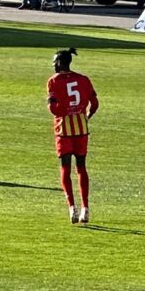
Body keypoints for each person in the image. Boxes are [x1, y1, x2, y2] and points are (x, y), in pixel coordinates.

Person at [47, 48, 99, 224]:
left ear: (60, 63)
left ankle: (72, 208)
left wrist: (63, 112)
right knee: (82, 167)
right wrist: (84, 117)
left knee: (65, 169)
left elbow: (53, 109)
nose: (53, 64)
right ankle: (86, 208)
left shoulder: (53, 81)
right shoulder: (84, 79)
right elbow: (95, 103)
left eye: (54, 61)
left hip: (64, 131)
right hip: (81, 129)